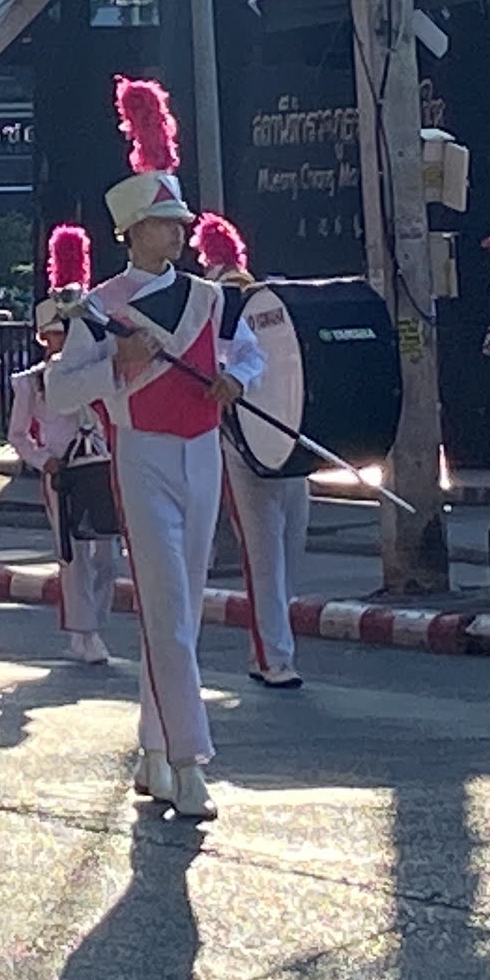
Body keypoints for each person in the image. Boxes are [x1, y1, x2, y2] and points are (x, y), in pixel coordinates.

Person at [48, 78, 263, 823]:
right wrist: (119, 362)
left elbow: (251, 352)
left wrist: (235, 379)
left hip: (203, 456)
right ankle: (190, 760)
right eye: (166, 224)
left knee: (182, 613)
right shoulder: (100, 308)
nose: (178, 234)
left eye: (179, 223)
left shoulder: (209, 297)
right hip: (139, 455)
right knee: (168, 610)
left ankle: (152, 745)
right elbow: (60, 391)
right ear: (134, 231)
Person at [198, 214, 306, 690]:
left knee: (275, 555)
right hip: (265, 438)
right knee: (275, 556)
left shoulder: (229, 301)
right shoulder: (245, 299)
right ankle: (272, 655)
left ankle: (270, 653)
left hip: (265, 439)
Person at [10, 226, 122, 667]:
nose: (63, 341)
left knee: (109, 554)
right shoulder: (32, 383)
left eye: (68, 332)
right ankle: (82, 631)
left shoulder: (95, 368)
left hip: (102, 465)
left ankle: (96, 620)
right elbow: (18, 435)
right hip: (63, 472)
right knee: (73, 555)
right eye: (56, 335)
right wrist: (44, 461)